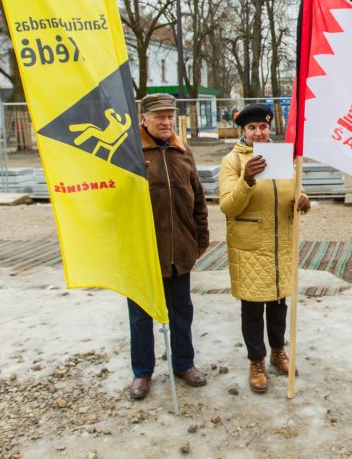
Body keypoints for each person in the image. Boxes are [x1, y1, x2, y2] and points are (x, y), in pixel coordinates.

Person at [219, 103, 311, 393]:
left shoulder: (283, 157)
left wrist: (304, 200)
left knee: (278, 304)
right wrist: (247, 179)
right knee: (252, 306)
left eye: (263, 127)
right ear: (243, 131)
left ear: (269, 128)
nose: (259, 132)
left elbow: (292, 190)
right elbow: (227, 206)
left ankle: (278, 352)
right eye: (252, 128)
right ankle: (256, 362)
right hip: (250, 247)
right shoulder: (232, 161)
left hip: (279, 243)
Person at [128, 93, 210, 400]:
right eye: (159, 116)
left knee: (181, 310)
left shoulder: (181, 150)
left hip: (179, 249)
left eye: (169, 116)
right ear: (144, 119)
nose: (166, 122)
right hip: (143, 251)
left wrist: (200, 236)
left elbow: (198, 197)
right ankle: (142, 372)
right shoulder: (132, 152)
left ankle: (183, 364)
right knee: (140, 315)